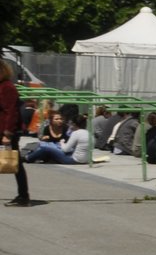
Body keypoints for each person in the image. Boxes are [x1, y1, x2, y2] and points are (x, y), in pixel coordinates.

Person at [0, 61, 32, 206]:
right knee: (15, 164)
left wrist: (7, 134)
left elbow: (11, 112)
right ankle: (23, 195)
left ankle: (23, 196)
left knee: (15, 164)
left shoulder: (7, 87)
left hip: (6, 131)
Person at [25, 115, 90, 164]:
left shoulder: (75, 133)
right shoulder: (89, 133)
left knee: (45, 148)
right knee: (50, 148)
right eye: (57, 119)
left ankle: (28, 158)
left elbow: (65, 150)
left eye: (71, 124)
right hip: (86, 159)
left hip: (73, 160)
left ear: (74, 124)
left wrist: (62, 143)